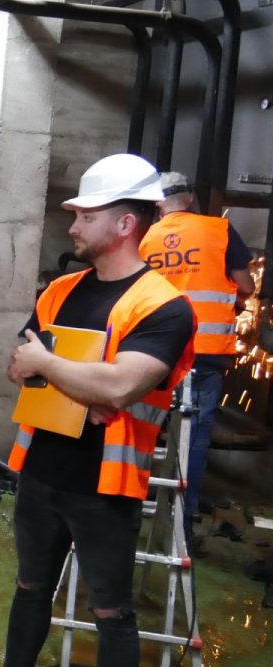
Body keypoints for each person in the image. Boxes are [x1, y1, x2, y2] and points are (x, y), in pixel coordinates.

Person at [4, 153, 195, 667]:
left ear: (126, 223)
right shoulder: (59, 291)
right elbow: (17, 367)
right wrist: (68, 379)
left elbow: (118, 388)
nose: (74, 226)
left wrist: (51, 365)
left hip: (105, 486)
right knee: (29, 589)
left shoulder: (164, 306)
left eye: (87, 216)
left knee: (111, 611)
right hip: (41, 472)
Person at [138, 171, 254, 546]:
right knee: (193, 442)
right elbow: (248, 287)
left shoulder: (145, 237)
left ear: (158, 203)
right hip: (204, 354)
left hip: (155, 351)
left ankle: (124, 516)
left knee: (140, 433)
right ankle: (181, 534)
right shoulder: (219, 230)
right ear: (188, 198)